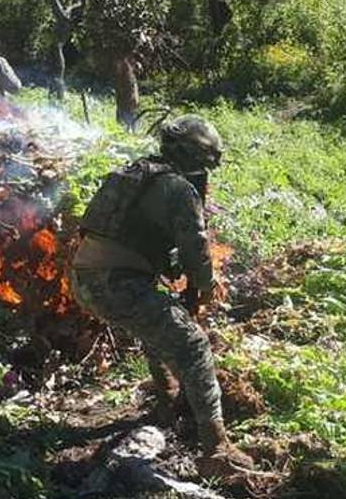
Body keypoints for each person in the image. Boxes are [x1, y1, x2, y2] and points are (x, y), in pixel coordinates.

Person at [70, 115, 253, 476]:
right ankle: (217, 450)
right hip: (117, 285)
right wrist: (203, 286)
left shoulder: (138, 173)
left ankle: (166, 403)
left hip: (85, 279)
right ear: (195, 158)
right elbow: (195, 251)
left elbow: (127, 233)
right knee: (194, 345)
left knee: (155, 324)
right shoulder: (178, 189)